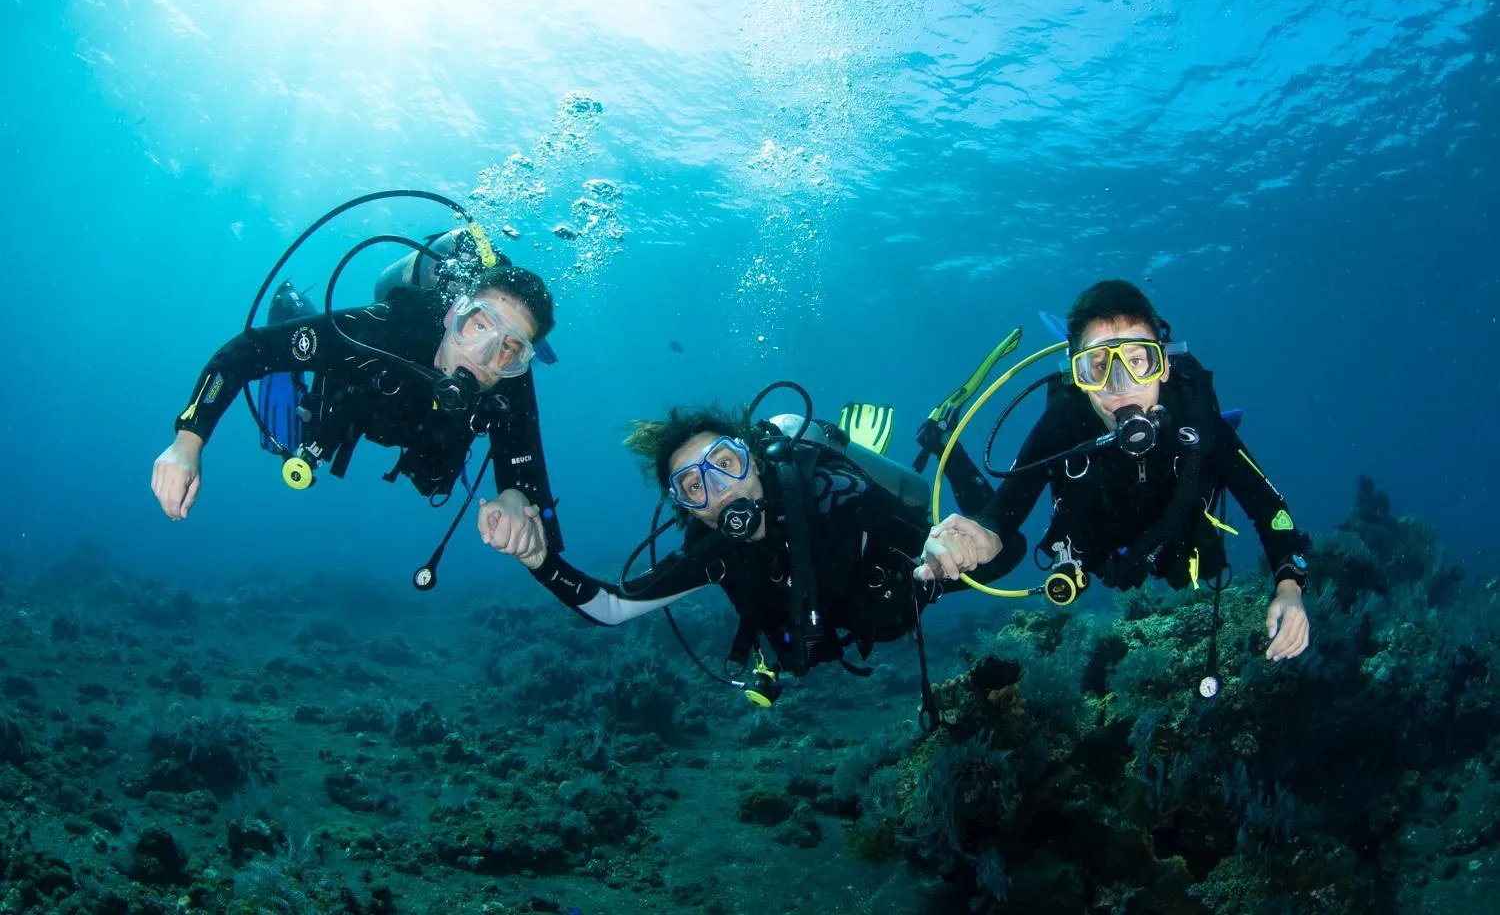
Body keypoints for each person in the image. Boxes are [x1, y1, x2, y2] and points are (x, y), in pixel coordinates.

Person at [919, 279, 1313, 662]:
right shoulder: (1065, 422)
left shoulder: (1194, 419)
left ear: (1163, 366)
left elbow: (1268, 508)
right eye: (1099, 366)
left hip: (1177, 544)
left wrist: (1290, 587)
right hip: (1099, 551)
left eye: (1138, 361)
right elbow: (1001, 514)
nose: (1122, 386)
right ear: (1078, 377)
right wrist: (981, 539)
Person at [478, 402, 985, 686]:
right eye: (693, 487)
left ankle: (939, 444)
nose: (718, 491)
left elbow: (1004, 554)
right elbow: (612, 608)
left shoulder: (840, 498)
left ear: (756, 462)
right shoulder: (714, 552)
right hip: (832, 628)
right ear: (687, 508)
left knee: (938, 514)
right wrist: (540, 560)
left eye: (725, 464)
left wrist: (953, 552)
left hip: (892, 588)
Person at [150, 236, 565, 565]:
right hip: (350, 404)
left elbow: (524, 465)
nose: (484, 355)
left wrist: (518, 503)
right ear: (453, 312)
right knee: (297, 415)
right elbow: (244, 352)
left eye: (510, 348)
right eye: (479, 325)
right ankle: (292, 307)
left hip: (411, 427)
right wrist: (188, 440)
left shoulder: (508, 381)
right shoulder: (375, 332)